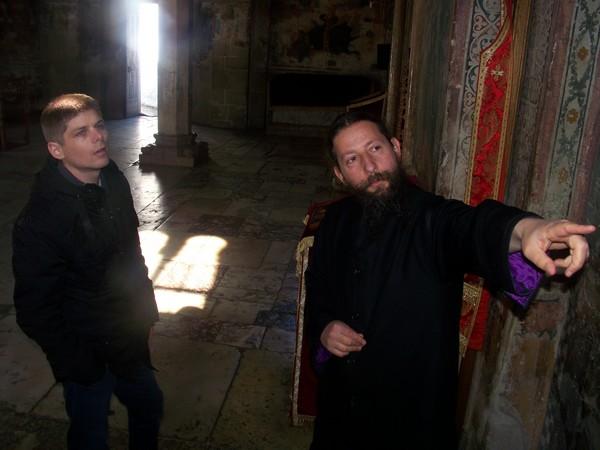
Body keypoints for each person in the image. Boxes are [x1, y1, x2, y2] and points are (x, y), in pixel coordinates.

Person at [304, 111, 595, 450]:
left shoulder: (432, 218)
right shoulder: (334, 221)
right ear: (339, 174)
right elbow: (318, 285)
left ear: (395, 148)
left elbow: (471, 227)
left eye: (375, 148)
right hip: (341, 406)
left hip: (409, 411)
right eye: (352, 159)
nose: (370, 167)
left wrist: (526, 229)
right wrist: (325, 326)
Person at [12, 93, 163, 450]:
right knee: (90, 435)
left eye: (99, 125)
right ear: (56, 150)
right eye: (81, 133)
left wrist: (143, 310)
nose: (98, 137)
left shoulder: (112, 178)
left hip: (128, 338)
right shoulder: (40, 220)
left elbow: (131, 251)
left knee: (149, 406)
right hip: (87, 354)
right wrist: (80, 364)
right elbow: (35, 311)